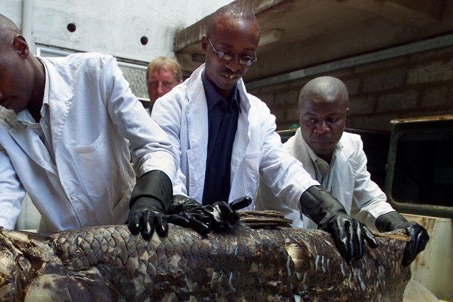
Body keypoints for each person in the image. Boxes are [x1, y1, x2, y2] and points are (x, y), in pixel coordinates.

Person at [151, 4, 377, 262]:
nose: (234, 66)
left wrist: (329, 210)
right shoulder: (171, 106)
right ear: (205, 45)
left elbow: (282, 169)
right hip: (182, 241)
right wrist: (187, 206)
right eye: (225, 53)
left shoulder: (258, 114)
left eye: (246, 57)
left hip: (233, 245)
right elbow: (162, 164)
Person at [0, 9, 179, 240]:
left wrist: (150, 196)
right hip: (62, 249)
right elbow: (0, 193)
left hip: (125, 234)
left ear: (21, 47)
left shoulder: (96, 74)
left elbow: (154, 145)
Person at [257, 76, 429, 265]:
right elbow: (290, 234)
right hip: (291, 263)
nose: (322, 129)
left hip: (332, 264)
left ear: (345, 115)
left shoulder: (352, 147)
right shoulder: (279, 164)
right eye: (311, 120)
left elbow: (368, 200)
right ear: (300, 116)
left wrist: (397, 224)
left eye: (332, 119)